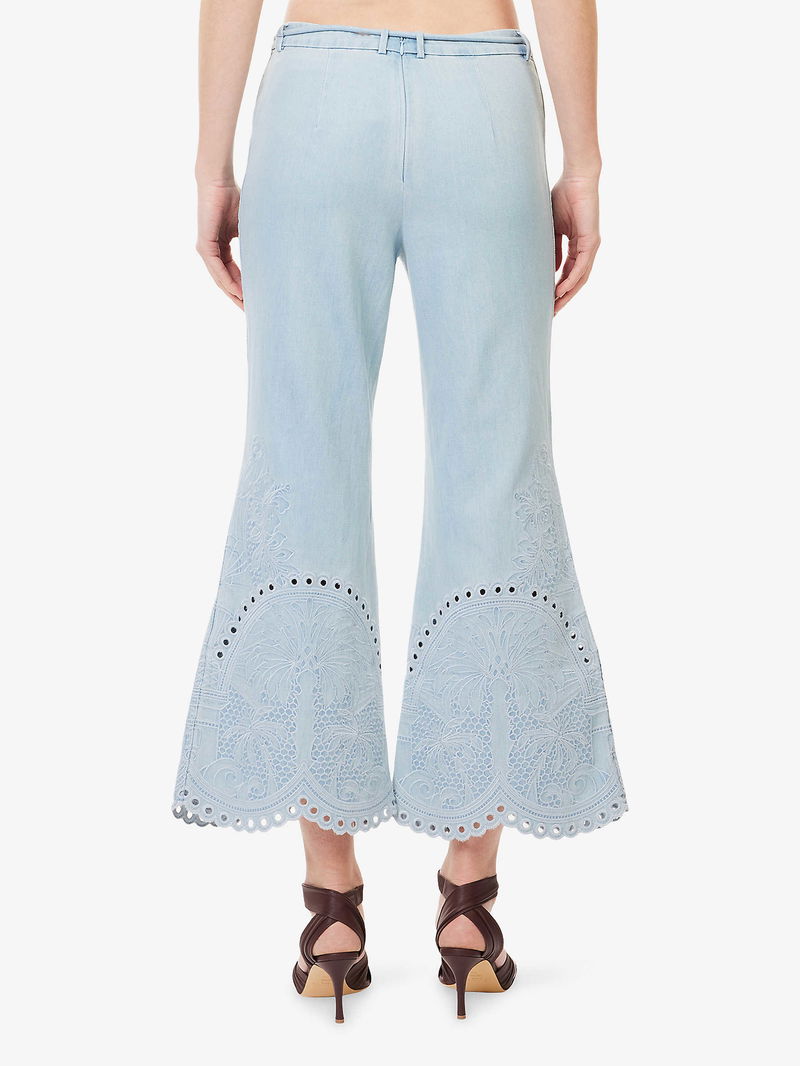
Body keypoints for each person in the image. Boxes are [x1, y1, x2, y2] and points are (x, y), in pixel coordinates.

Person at [173, 0, 627, 1022]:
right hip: (481, 94)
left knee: (299, 466)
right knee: (497, 468)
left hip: (316, 98)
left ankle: (331, 907)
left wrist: (211, 162)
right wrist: (584, 162)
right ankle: (469, 900)